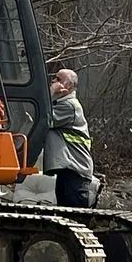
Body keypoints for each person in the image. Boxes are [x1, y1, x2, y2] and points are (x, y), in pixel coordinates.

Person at [43, 66, 96, 209]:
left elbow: (44, 120)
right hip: (68, 169)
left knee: (74, 214)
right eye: (54, 78)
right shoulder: (61, 103)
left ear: (69, 86)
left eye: (59, 79)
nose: (54, 81)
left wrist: (51, 92)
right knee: (64, 210)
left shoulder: (70, 106)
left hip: (75, 170)